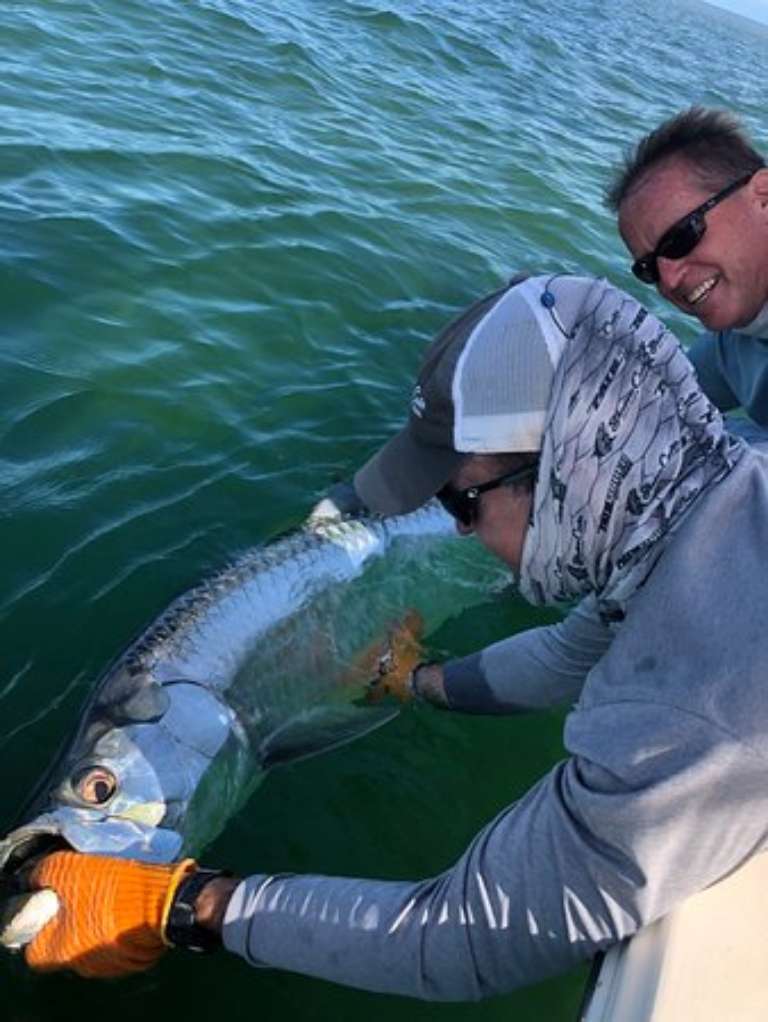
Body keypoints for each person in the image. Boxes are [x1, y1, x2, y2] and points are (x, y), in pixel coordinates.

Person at [10, 274, 768, 999]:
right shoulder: (719, 498)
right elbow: (570, 650)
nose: (460, 530)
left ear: (577, 469)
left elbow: (470, 936)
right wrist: (415, 682)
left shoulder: (694, 712)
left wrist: (186, 906)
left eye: (461, 504)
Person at [606, 106, 768, 429]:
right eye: (649, 269)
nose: (668, 281)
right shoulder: (734, 342)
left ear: (763, 197)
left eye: (682, 237)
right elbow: (655, 408)